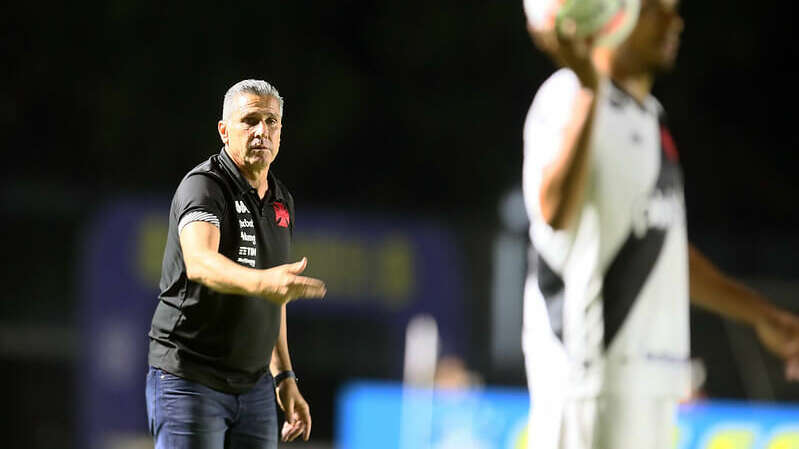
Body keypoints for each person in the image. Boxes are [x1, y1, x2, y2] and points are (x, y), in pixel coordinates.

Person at [520, 1, 799, 448]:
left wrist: (760, 315)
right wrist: (590, 89)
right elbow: (553, 212)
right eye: (655, 9)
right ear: (613, 17)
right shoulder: (568, 95)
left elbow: (666, 253)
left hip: (650, 384)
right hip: (589, 383)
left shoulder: (649, 117)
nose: (674, 21)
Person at [146, 79, 327, 449]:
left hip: (255, 386)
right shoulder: (205, 187)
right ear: (224, 131)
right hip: (190, 379)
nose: (262, 130)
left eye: (271, 121)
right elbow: (200, 263)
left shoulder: (281, 201)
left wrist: (285, 377)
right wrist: (265, 283)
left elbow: (275, 297)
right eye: (250, 120)